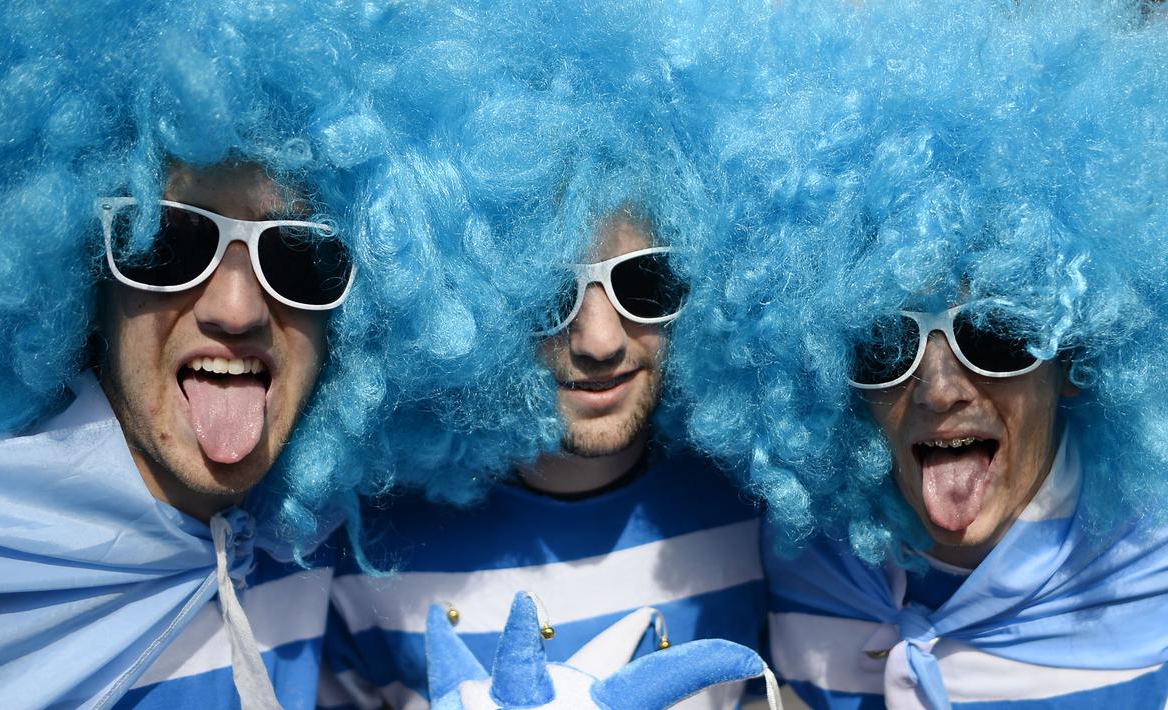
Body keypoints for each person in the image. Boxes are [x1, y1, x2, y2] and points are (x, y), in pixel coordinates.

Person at [0, 1, 519, 706]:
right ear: (80, 269)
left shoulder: (303, 546)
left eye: (299, 257)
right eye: (167, 244)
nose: (236, 309)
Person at [672, 1, 1168, 707]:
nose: (939, 388)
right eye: (883, 343)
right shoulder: (800, 547)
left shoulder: (1149, 558)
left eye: (994, 332)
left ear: (1076, 357)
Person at [318, 3, 766, 707]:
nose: (600, 341)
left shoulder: (755, 516)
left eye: (644, 281)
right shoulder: (373, 554)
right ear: (462, 304)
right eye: (545, 295)